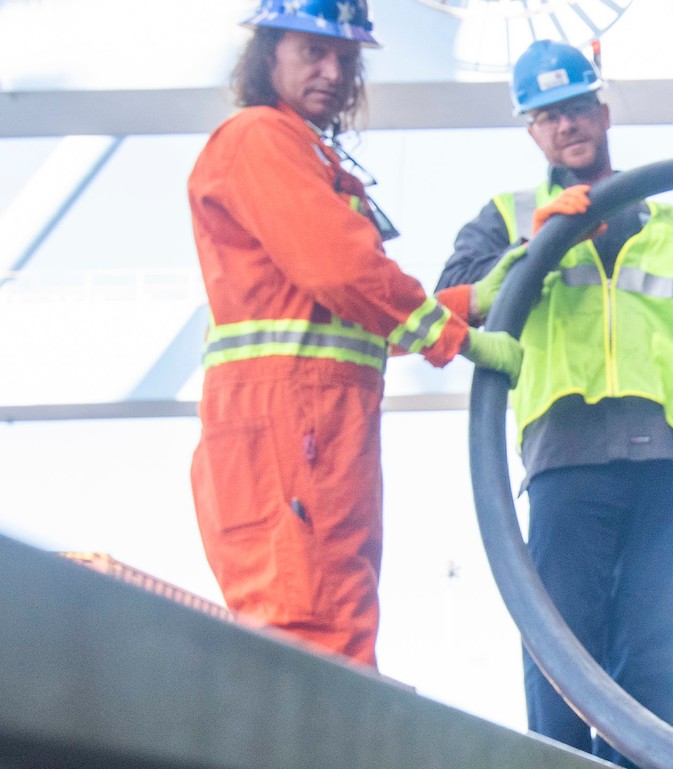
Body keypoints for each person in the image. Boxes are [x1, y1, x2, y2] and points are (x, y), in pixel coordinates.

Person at [436, 40, 673, 768]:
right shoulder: (508, 215)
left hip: (671, 453)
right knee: (561, 643)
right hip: (568, 452)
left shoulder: (670, 222)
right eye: (548, 116)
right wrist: (535, 241)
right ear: (531, 130)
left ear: (603, 112)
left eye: (577, 108)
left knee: (657, 652)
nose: (566, 125)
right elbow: (454, 302)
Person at [188, 0, 520, 666]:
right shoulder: (259, 138)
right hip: (291, 427)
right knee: (307, 635)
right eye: (314, 51)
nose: (334, 72)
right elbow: (340, 269)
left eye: (345, 57)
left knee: (333, 624)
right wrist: (456, 339)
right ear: (268, 53)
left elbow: (342, 311)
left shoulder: (301, 151)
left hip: (315, 424)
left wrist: (465, 305)